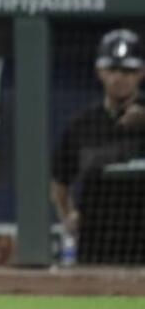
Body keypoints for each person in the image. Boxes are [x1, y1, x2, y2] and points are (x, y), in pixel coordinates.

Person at [51, 29, 145, 265]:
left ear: (141, 73)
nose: (119, 77)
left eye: (128, 71)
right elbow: (59, 181)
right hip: (97, 236)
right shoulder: (82, 125)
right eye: (113, 69)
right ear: (100, 71)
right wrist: (68, 217)